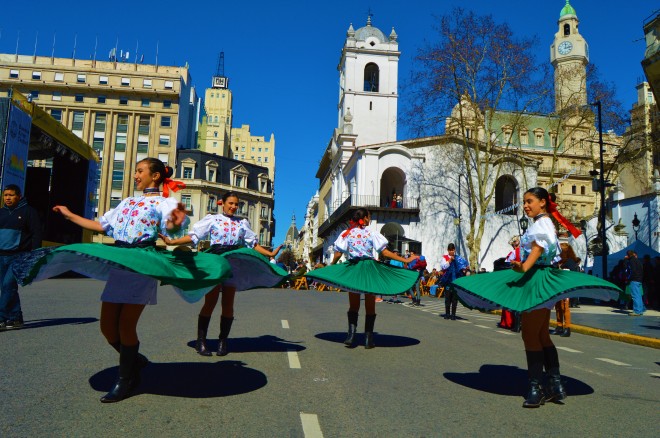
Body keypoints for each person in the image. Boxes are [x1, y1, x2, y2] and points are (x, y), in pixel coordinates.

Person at [16, 158, 232, 403]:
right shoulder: (128, 201)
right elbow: (101, 225)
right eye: (136, 171)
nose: (135, 175)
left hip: (142, 263)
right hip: (122, 263)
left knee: (126, 326)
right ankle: (134, 360)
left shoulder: (164, 202)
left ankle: (126, 379)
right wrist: (69, 215)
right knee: (107, 328)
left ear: (156, 176)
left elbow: (173, 228)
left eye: (140, 171)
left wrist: (176, 220)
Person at [451, 187, 620, 408]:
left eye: (529, 201)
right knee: (541, 335)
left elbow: (538, 250)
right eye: (524, 202)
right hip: (543, 278)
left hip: (536, 279)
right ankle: (555, 384)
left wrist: (523, 267)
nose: (525, 206)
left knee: (530, 335)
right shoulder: (546, 222)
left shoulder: (541, 224)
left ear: (542, 202)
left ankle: (535, 387)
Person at [161, 191, 286, 356]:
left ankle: (223, 341)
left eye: (236, 204)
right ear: (222, 203)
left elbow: (253, 244)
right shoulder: (213, 219)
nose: (233, 207)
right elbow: (194, 236)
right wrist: (172, 242)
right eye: (231, 203)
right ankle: (201, 342)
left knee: (228, 304)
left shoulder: (242, 223)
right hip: (216, 261)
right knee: (210, 302)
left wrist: (269, 254)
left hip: (233, 264)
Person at [305, 208, 418, 349]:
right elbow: (385, 252)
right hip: (369, 268)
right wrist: (405, 261)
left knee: (354, 305)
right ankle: (368, 339)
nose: (369, 219)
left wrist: (331, 267)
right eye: (369, 216)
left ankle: (351, 336)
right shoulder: (371, 233)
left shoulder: (347, 233)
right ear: (364, 218)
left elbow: (338, 254)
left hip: (354, 268)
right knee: (370, 305)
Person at [0, 184, 42, 331]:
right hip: (1, 256)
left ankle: (2, 318)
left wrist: (34, 255)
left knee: (7, 286)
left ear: (18, 196)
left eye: (11, 195)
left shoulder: (29, 212)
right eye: (5, 195)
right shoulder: (1, 213)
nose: (8, 198)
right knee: (8, 288)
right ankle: (16, 318)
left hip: (19, 256)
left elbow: (36, 234)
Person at [554, 242, 580, 337]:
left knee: (565, 307)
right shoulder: (559, 261)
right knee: (558, 306)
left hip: (566, 287)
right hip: (558, 286)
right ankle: (559, 325)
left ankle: (567, 327)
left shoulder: (570, 262)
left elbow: (572, 275)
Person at [439, 243, 469, 320]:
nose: (452, 251)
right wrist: (449, 260)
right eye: (450, 250)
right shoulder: (444, 258)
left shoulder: (458, 258)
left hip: (456, 281)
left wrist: (465, 268)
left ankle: (453, 315)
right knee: (448, 298)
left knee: (454, 299)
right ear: (448, 250)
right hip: (448, 281)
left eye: (453, 250)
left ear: (454, 250)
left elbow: (464, 265)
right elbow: (443, 266)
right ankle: (447, 314)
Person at [498, 235, 521, 331]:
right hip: (524, 278)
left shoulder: (513, 253)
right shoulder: (526, 252)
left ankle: (513, 323)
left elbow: (508, 264)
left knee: (512, 301)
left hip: (514, 278)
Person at [626, 250, 645, 316]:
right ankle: (641, 310)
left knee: (635, 296)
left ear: (628, 255)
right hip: (639, 279)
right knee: (639, 295)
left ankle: (637, 311)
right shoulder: (638, 261)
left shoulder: (631, 261)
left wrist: (629, 278)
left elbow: (632, 270)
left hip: (634, 279)